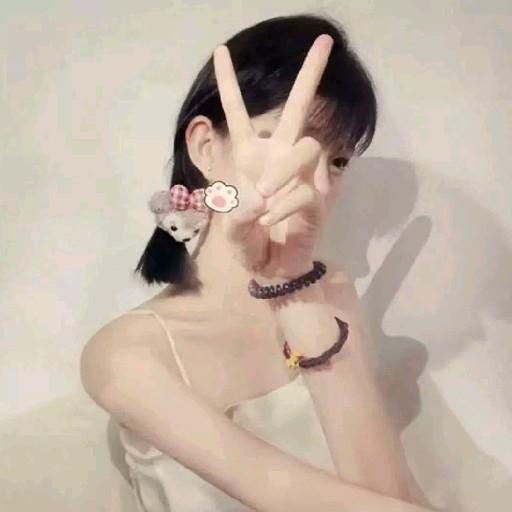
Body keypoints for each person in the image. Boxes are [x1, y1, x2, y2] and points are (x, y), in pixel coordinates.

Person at [80, 13, 439, 512]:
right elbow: (279, 490)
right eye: (291, 143)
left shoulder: (331, 291)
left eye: (338, 161)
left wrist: (291, 285)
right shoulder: (126, 354)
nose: (319, 184)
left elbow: (389, 492)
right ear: (206, 147)